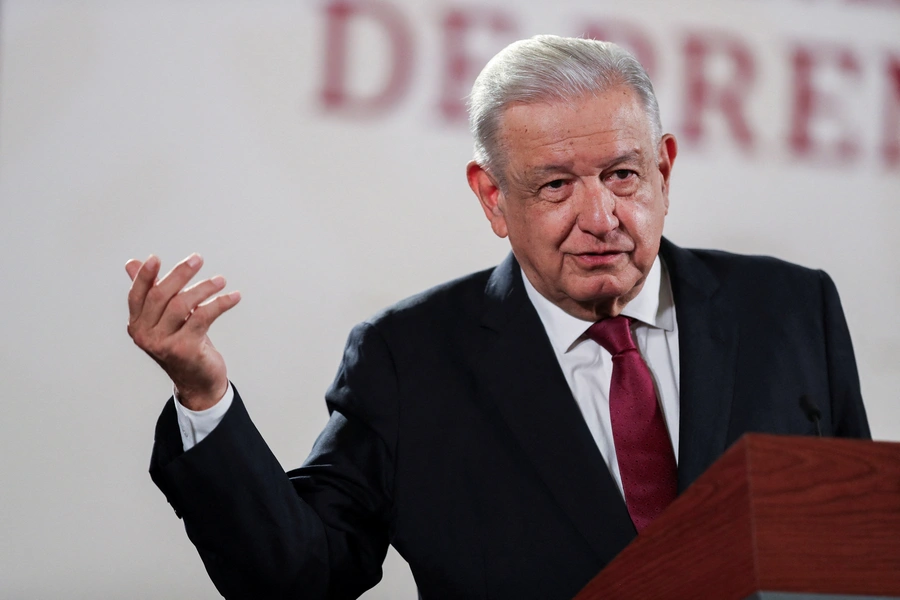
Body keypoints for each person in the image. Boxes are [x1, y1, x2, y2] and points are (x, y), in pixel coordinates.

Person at [126, 35, 870, 599]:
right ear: (492, 198)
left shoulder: (791, 311)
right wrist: (204, 397)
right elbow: (300, 574)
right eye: (555, 186)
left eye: (623, 175)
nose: (601, 217)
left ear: (664, 170)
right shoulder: (409, 359)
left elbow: (857, 550)